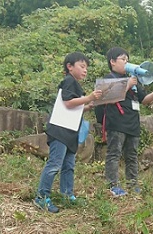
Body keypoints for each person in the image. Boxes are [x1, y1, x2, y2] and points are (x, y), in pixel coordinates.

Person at [35, 52, 102, 213]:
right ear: (69, 66)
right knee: (55, 164)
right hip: (60, 131)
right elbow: (68, 102)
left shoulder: (75, 85)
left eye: (86, 68)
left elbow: (73, 107)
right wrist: (88, 98)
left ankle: (67, 194)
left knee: (68, 165)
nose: (85, 70)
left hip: (70, 132)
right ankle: (41, 197)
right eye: (82, 66)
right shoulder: (68, 81)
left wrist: (86, 106)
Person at [102, 47, 153, 196]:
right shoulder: (109, 78)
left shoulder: (133, 81)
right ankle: (113, 186)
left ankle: (133, 184)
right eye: (123, 59)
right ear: (112, 62)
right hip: (117, 124)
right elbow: (108, 97)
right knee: (114, 154)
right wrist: (127, 85)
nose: (126, 62)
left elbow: (144, 100)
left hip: (132, 124)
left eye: (127, 60)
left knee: (132, 156)